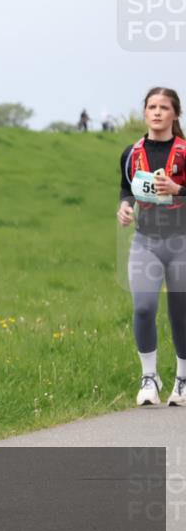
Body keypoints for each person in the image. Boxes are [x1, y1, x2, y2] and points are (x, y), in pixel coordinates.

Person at [117, 87, 186, 406]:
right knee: (143, 308)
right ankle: (149, 378)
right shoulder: (131, 153)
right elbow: (126, 189)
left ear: (175, 114)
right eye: (152, 107)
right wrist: (124, 207)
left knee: (180, 311)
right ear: (144, 111)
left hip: (181, 242)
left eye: (164, 107)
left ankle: (182, 379)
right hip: (145, 241)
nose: (157, 112)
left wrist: (178, 189)